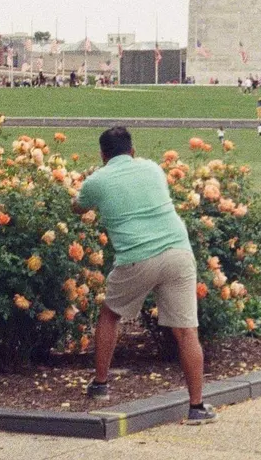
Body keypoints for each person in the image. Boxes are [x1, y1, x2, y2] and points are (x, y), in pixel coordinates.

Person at [72, 126, 217, 424]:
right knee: (187, 331)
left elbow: (78, 206)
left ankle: (100, 384)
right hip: (178, 251)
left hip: (136, 257)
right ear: (132, 150)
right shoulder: (152, 168)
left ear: (103, 155)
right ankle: (197, 407)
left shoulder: (97, 180)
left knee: (110, 315)